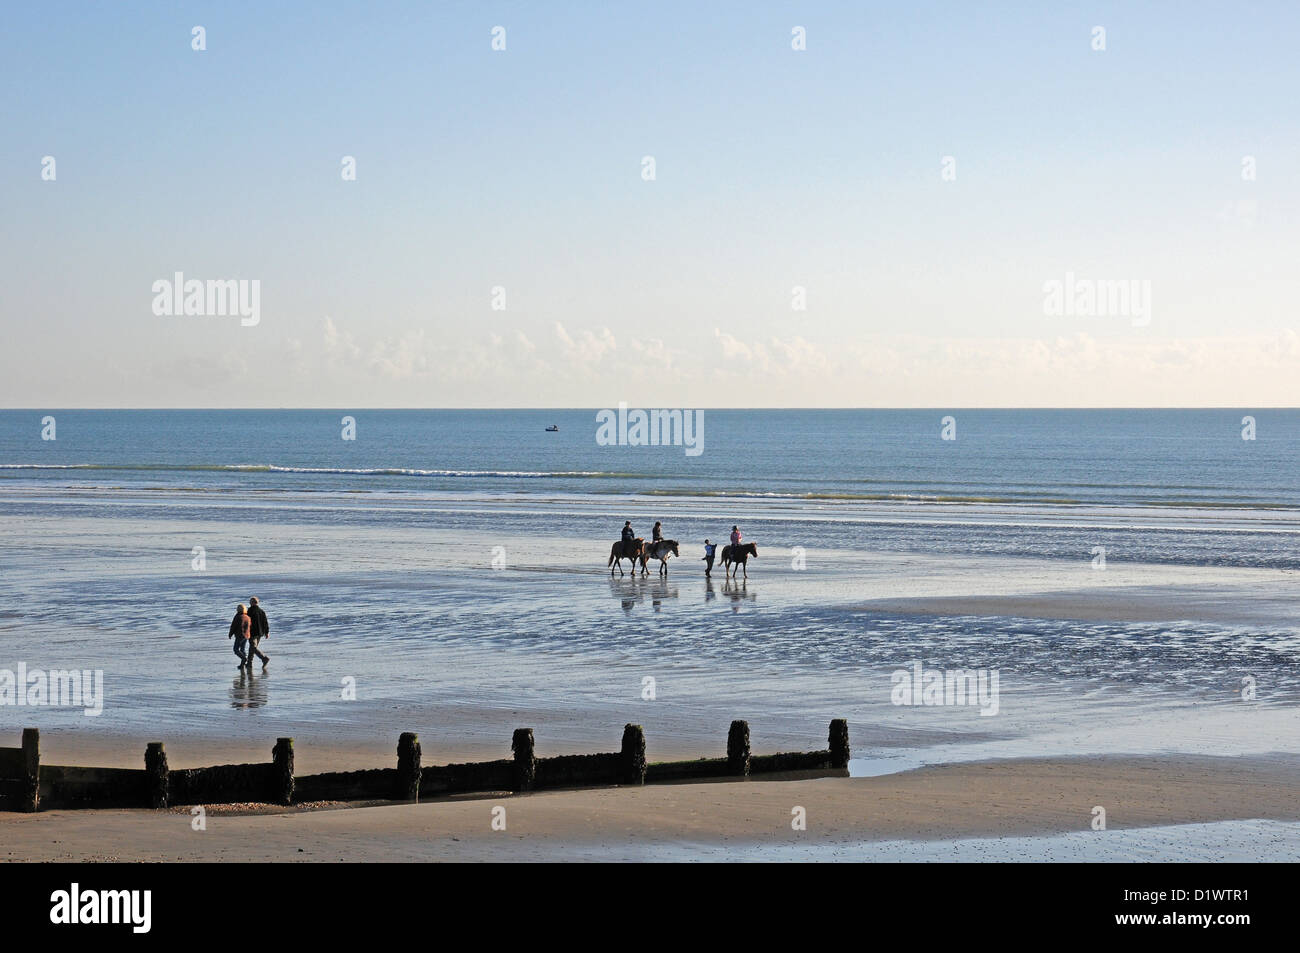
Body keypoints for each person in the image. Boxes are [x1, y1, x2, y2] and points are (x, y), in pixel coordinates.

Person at [246, 596, 270, 667]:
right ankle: (249, 663)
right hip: (260, 633)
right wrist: (266, 632)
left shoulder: (249, 611)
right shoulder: (262, 611)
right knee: (252, 648)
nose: (249, 602)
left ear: (252, 602)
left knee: (253, 648)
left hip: (252, 633)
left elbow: (246, 623)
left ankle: (264, 658)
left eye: (250, 601)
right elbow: (265, 623)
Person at [228, 603, 251, 669]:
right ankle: (242, 665)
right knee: (242, 649)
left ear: (238, 609)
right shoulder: (247, 617)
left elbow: (233, 626)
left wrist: (230, 634)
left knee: (236, 649)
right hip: (246, 635)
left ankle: (244, 659)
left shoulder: (237, 616)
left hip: (240, 635)